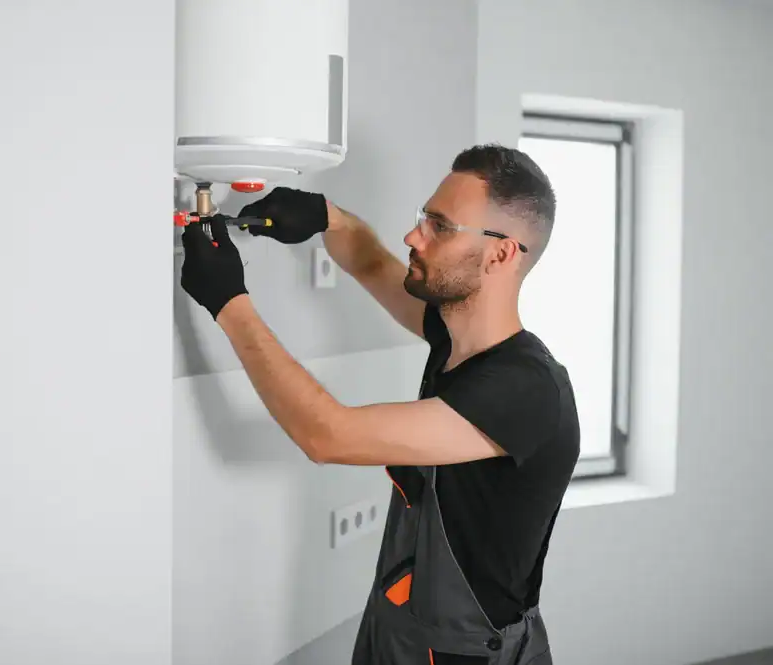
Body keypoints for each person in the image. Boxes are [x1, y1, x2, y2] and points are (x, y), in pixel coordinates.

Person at [178, 144, 580, 665]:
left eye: (440, 226)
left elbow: (328, 436)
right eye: (422, 218)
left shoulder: (526, 392)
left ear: (502, 254)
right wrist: (327, 217)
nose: (413, 236)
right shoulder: (452, 333)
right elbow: (371, 264)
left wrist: (229, 302)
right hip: (399, 627)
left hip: (463, 655)